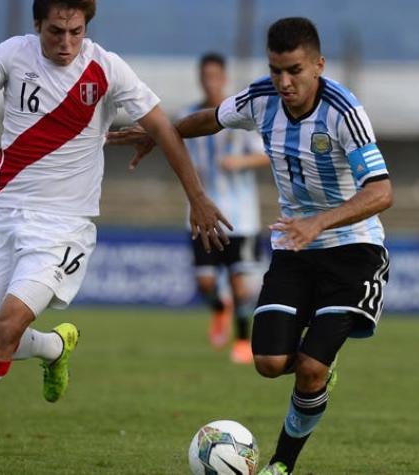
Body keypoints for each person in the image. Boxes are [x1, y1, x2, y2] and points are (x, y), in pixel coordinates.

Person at [0, 1, 229, 473]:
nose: (66, 43)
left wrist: (196, 197)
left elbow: (164, 130)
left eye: (76, 32)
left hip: (63, 227)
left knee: (5, 330)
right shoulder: (14, 55)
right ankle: (55, 347)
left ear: (86, 27)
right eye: (56, 31)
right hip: (4, 214)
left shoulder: (107, 69)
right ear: (37, 25)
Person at [109, 17, 392, 475]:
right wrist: (162, 134)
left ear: (318, 65)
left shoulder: (344, 111)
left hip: (354, 250)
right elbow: (212, 118)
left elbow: (382, 191)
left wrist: (318, 223)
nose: (284, 82)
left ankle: (282, 463)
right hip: (294, 249)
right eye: (277, 70)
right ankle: (314, 369)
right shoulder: (262, 99)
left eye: (295, 70)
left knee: (310, 369)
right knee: (267, 362)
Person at [182, 52, 269, 363]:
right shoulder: (189, 114)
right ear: (200, 78)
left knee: (241, 285)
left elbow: (266, 154)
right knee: (205, 283)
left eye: (215, 75)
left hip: (241, 216)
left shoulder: (241, 116)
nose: (210, 81)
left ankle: (243, 340)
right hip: (202, 216)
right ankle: (220, 308)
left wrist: (239, 161)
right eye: (205, 76)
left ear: (224, 77)